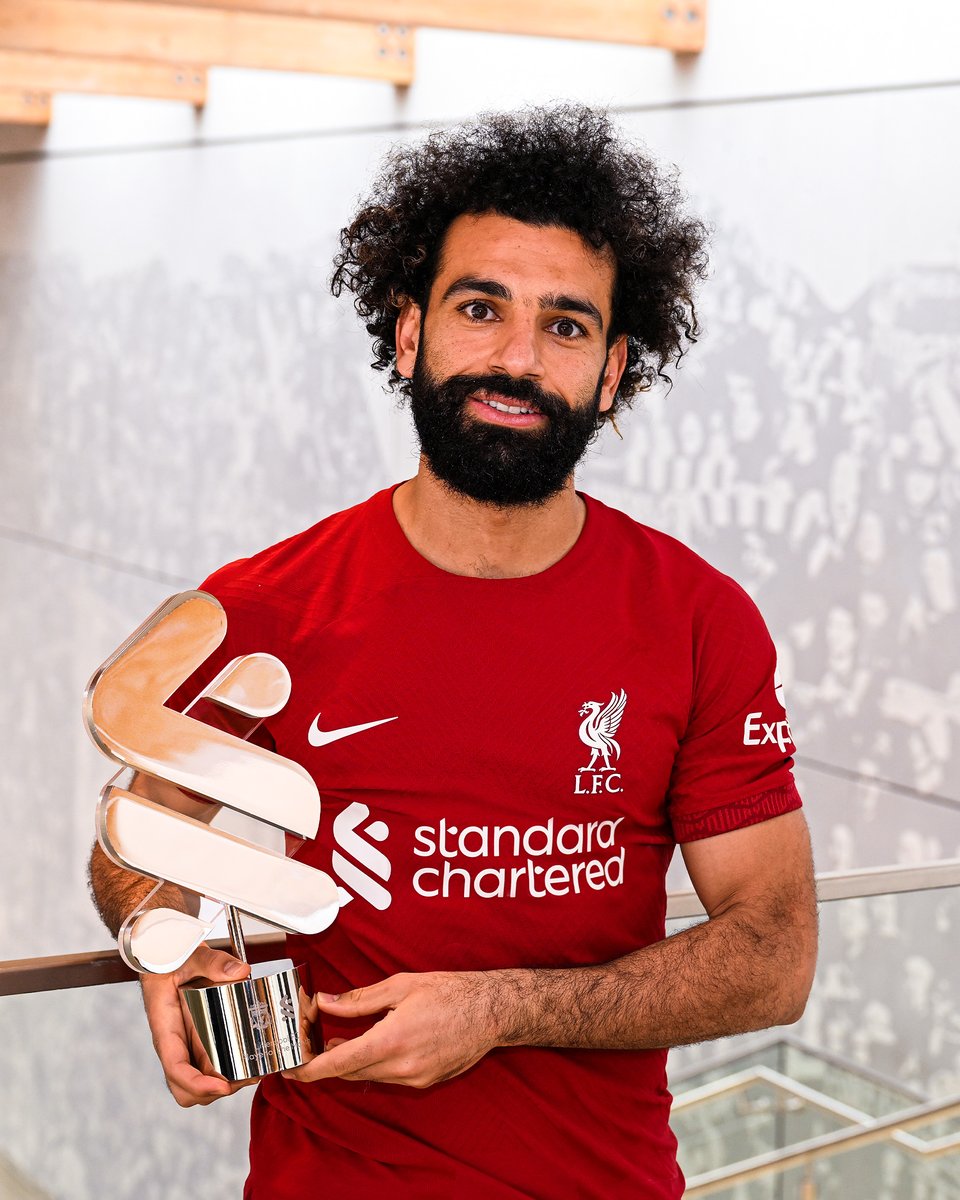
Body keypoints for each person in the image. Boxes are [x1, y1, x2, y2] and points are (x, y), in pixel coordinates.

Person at [89, 104, 818, 1199]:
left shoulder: (699, 619)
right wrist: (164, 938)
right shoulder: (265, 608)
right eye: (481, 308)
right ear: (409, 332)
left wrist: (500, 1010)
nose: (518, 358)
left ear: (614, 370)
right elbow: (136, 834)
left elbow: (772, 951)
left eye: (567, 326)